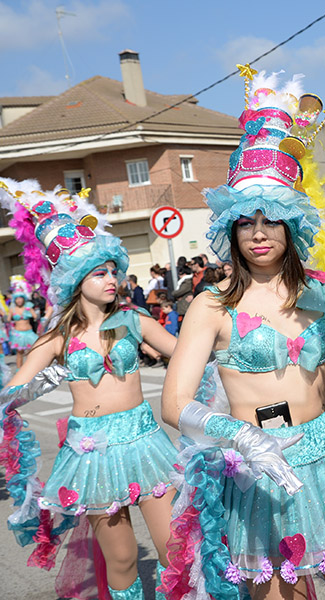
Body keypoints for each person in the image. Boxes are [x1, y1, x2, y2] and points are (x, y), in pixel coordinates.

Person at [159, 69, 325, 600]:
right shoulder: (211, 304)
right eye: (246, 222)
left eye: (271, 221)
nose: (259, 233)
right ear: (231, 230)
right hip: (256, 471)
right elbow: (173, 404)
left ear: (292, 228)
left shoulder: (320, 293)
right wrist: (240, 436)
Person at [0, 179, 179, 600]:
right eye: (99, 273)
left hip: (145, 442)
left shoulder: (134, 320)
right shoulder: (60, 335)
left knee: (176, 549)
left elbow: (186, 353)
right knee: (121, 561)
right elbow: (15, 389)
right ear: (76, 280)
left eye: (113, 270)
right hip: (92, 452)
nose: (111, 279)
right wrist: (25, 393)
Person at [7, 277, 38, 369]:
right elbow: (8, 319)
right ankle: (19, 371)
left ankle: (30, 369)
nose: (19, 300)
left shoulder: (28, 306)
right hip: (18, 334)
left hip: (29, 333)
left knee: (30, 352)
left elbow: (35, 317)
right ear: (15, 300)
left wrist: (30, 311)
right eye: (17, 299)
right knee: (19, 354)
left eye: (21, 298)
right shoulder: (12, 309)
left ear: (23, 299)